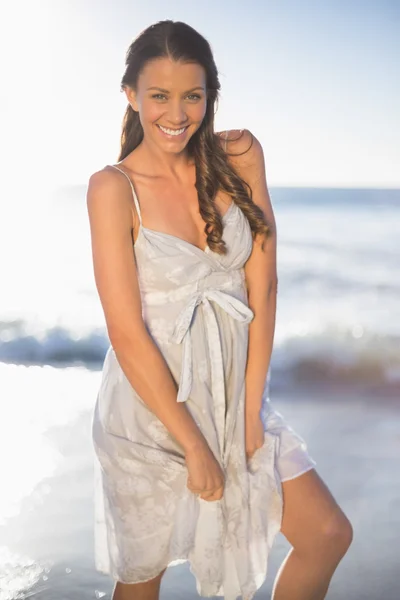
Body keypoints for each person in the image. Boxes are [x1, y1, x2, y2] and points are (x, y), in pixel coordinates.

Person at [87, 20, 353, 600]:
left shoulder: (241, 155)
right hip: (150, 408)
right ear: (131, 95)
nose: (176, 112)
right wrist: (194, 444)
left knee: (327, 534)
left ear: (210, 96)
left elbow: (265, 286)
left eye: (192, 95)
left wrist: (251, 410)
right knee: (142, 579)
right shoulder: (112, 189)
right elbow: (126, 331)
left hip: (234, 392)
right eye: (158, 95)